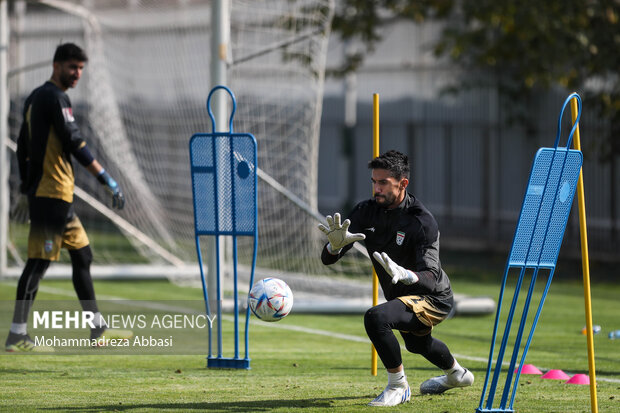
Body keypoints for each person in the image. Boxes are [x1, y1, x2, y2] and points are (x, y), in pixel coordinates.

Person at [318, 150, 474, 406]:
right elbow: (328, 260)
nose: (376, 189)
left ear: (403, 184)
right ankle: (457, 374)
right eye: (373, 182)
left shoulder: (422, 222)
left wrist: (408, 275)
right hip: (403, 296)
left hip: (434, 297)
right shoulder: (365, 212)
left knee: (376, 317)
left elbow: (432, 278)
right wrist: (333, 247)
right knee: (417, 345)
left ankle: (398, 386)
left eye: (383, 183)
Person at [6, 43, 131, 352]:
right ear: (56, 65)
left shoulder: (35, 97)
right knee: (38, 262)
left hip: (54, 194)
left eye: (80, 69)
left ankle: (97, 329)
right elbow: (75, 141)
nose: (77, 74)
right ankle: (17, 335)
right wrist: (106, 179)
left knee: (82, 256)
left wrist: (25, 188)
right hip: (52, 193)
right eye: (72, 67)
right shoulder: (55, 98)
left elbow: (23, 144)